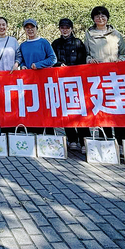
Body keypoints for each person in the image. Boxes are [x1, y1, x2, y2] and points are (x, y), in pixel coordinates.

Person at [83, 6, 125, 145]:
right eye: (97, 16)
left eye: (103, 16)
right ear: (93, 19)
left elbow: (124, 53)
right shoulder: (89, 34)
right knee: (103, 108)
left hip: (115, 77)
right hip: (98, 77)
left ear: (107, 18)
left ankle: (122, 141)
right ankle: (106, 141)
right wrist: (89, 60)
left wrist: (120, 60)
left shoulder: (116, 34)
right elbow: (86, 53)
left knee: (118, 108)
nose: (100, 18)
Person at [50, 18, 88, 150]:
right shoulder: (55, 43)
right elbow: (52, 60)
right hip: (61, 82)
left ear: (71, 29)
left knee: (80, 111)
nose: (65, 30)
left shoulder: (78, 43)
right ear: (59, 29)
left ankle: (84, 141)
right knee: (66, 111)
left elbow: (83, 61)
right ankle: (72, 139)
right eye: (62, 27)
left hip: (77, 82)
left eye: (67, 27)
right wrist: (59, 64)